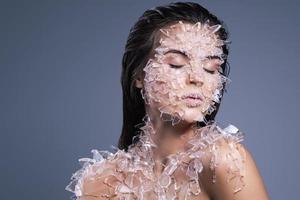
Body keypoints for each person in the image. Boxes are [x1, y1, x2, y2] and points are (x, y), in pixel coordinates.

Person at [66, 2, 269, 199]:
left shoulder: (223, 161)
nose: (197, 78)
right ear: (138, 76)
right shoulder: (100, 179)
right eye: (176, 64)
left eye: (211, 68)